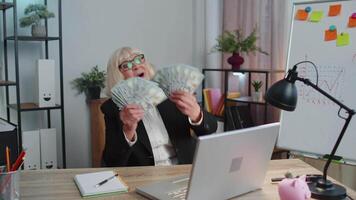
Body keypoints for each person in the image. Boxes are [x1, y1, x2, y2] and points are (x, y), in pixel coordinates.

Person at [101, 47, 217, 167]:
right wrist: (128, 130)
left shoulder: (172, 91)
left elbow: (210, 128)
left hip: (183, 170)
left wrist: (196, 114)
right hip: (146, 176)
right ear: (117, 75)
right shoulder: (112, 108)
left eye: (139, 59)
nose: (136, 66)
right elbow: (112, 161)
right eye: (126, 65)